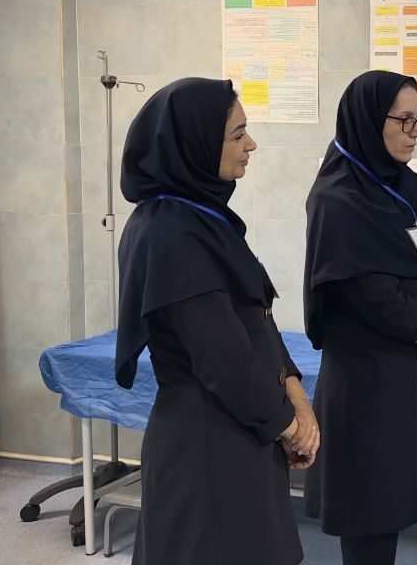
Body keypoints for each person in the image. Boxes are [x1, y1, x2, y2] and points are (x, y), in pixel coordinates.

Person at [115, 77, 318, 565]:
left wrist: (295, 397)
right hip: (208, 442)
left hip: (241, 425)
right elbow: (223, 357)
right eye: (237, 134)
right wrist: (287, 424)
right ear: (195, 143)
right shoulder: (170, 233)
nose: (251, 145)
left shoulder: (204, 218)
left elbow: (258, 321)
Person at [302, 71, 417, 565]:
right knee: (372, 527)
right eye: (404, 120)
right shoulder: (337, 200)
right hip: (372, 391)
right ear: (367, 121)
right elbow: (377, 301)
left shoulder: (412, 187)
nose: (416, 131)